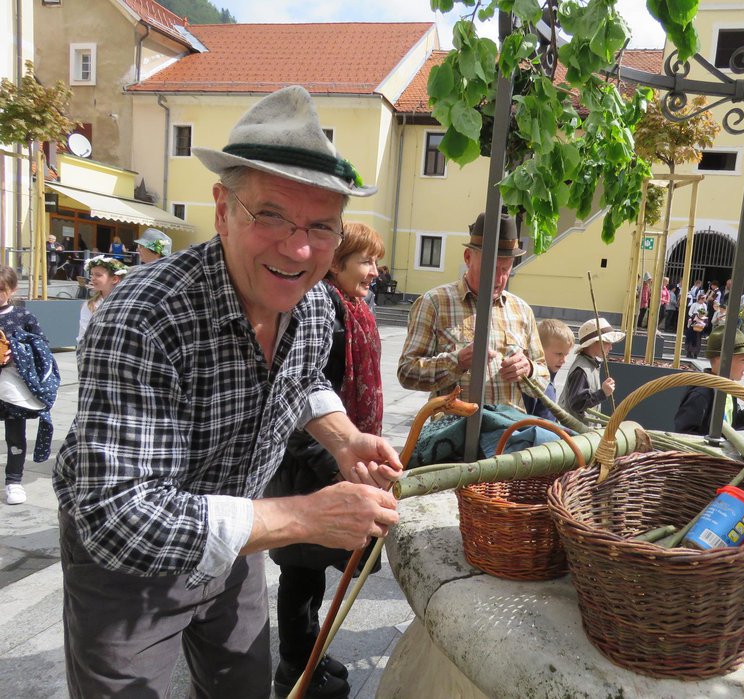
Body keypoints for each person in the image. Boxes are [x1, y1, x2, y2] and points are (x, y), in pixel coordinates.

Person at [53, 86, 402, 698]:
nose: (297, 249)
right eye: (270, 215)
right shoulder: (144, 315)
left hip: (239, 546)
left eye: (320, 227)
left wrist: (345, 439)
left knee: (241, 690)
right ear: (222, 208)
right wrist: (303, 516)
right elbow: (118, 516)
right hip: (127, 572)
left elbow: (303, 378)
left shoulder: (316, 302)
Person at [264, 222, 384, 699]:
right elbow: (291, 400)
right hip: (306, 470)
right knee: (299, 570)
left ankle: (309, 648)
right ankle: (294, 665)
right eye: (366, 262)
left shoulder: (353, 310)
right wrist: (331, 460)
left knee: (312, 574)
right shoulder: (323, 314)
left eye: (376, 262)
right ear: (337, 264)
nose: (375, 272)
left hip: (333, 461)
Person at [397, 211, 548, 410]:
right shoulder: (434, 303)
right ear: (468, 258)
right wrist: (456, 362)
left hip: (507, 435)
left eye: (505, 269)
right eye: (491, 268)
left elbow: (544, 377)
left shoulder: (522, 310)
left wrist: (528, 370)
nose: (498, 279)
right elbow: (407, 373)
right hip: (453, 432)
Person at [0, 266, 58, 505]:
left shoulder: (23, 316)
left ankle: (14, 481)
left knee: (15, 435)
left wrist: (15, 349)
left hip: (13, 386)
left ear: (12, 290)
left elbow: (42, 345)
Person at [674, 327, 744, 436]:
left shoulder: (728, 389)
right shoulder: (702, 393)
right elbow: (684, 432)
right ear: (722, 359)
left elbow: (730, 423)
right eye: (743, 360)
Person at [558, 317, 623, 425]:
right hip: (576, 433)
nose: (611, 347)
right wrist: (602, 393)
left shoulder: (590, 364)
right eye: (608, 342)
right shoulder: (582, 370)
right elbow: (577, 404)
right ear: (594, 343)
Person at [523, 318, 574, 422]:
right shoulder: (532, 383)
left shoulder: (551, 375)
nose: (563, 360)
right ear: (539, 349)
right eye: (559, 354)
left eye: (566, 354)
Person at [76, 255, 128, 343]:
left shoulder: (127, 303)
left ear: (115, 279)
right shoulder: (90, 305)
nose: (92, 278)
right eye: (92, 274)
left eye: (98, 275)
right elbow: (83, 335)